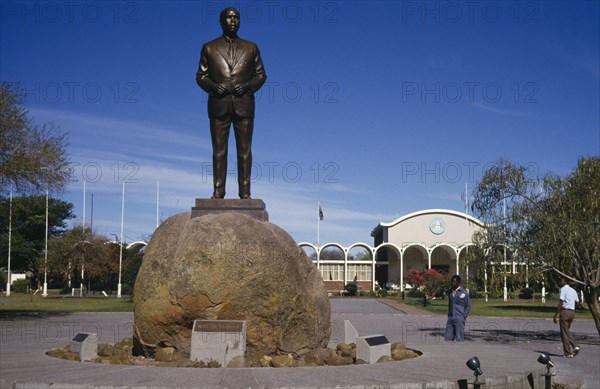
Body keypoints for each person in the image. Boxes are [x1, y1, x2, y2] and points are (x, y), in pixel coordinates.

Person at [196, 7, 267, 199]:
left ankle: (245, 194)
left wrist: (246, 86)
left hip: (244, 105)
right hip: (218, 105)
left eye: (236, 17)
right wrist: (213, 86)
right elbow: (201, 76)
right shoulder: (209, 47)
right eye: (229, 17)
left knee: (244, 152)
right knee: (219, 151)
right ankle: (218, 192)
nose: (233, 20)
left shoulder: (251, 47)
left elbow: (261, 76)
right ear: (221, 22)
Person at [553, 276, 580, 358]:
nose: (559, 282)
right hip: (572, 312)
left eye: (560, 281)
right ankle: (572, 350)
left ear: (565, 281)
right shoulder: (573, 290)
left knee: (564, 333)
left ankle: (569, 351)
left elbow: (561, 302)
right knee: (566, 332)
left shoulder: (563, 289)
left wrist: (555, 315)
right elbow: (578, 302)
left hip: (565, 312)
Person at [445, 274, 471, 342]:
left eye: (454, 282)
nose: (452, 283)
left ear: (458, 283)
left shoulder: (463, 293)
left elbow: (468, 305)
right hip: (451, 317)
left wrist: (464, 316)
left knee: (459, 337)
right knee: (448, 337)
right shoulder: (450, 292)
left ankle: (459, 351)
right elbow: (450, 304)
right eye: (451, 281)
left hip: (459, 317)